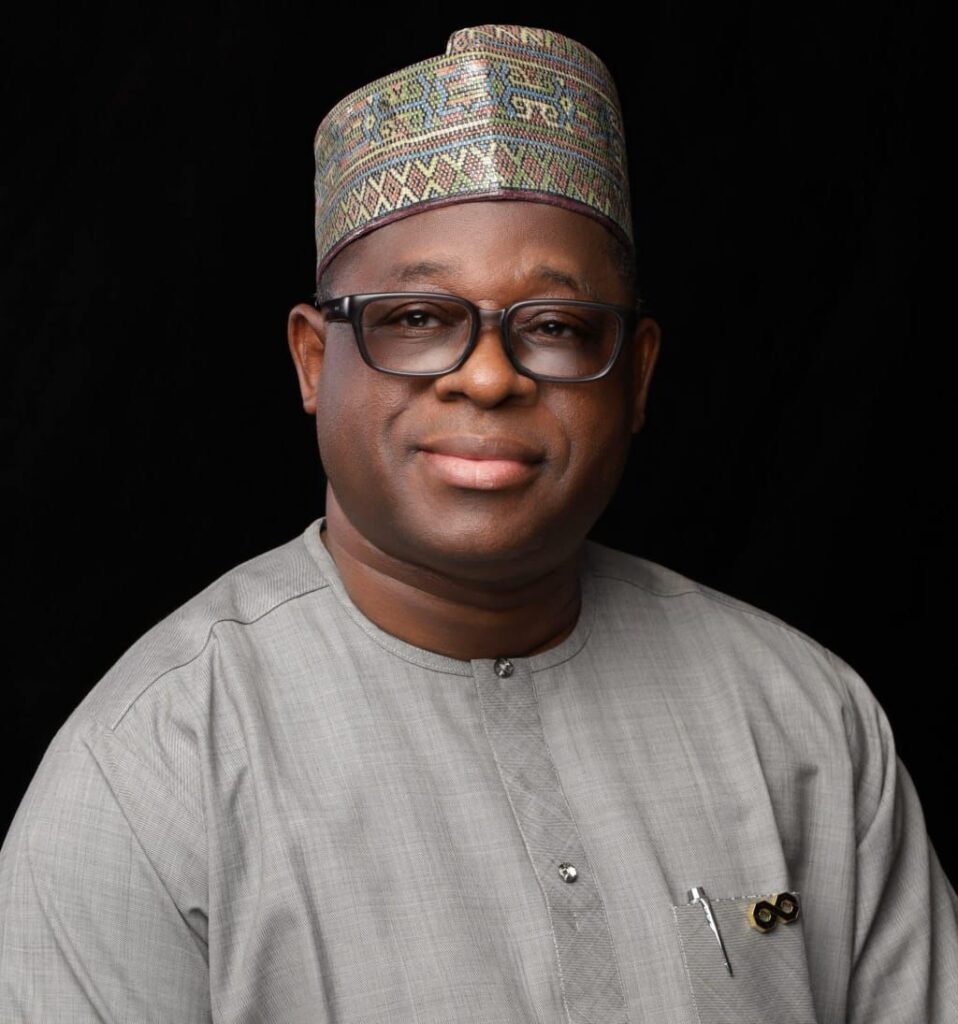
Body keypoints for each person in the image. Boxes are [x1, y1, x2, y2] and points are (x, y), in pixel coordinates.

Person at [1, 22, 955, 1023]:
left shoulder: (804, 722)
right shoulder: (152, 773)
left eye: (555, 327)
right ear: (314, 361)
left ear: (636, 376)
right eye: (417, 319)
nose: (490, 377)